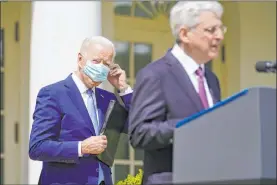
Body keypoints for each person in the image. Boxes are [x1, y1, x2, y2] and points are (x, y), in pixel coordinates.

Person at [128, 1, 225, 184]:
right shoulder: (156, 75)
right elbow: (140, 133)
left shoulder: (211, 80)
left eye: (221, 29)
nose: (219, 36)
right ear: (185, 34)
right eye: (211, 30)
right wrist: (188, 126)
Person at [29, 36, 133, 185]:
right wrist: (81, 148)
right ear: (80, 59)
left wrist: (123, 88)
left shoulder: (107, 99)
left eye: (106, 64)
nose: (101, 67)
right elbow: (37, 148)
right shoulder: (53, 94)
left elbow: (137, 125)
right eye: (96, 61)